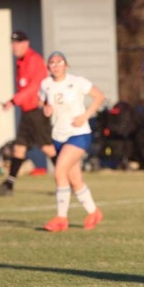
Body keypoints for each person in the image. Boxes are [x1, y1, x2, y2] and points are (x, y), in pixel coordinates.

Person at [39, 51, 105, 232]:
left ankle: (61, 218)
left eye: (59, 62)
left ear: (66, 65)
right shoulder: (45, 84)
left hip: (78, 133)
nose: (56, 66)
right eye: (52, 63)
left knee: (59, 171)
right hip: (58, 135)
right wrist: (46, 110)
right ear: (48, 67)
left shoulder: (77, 81)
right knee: (75, 179)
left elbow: (99, 96)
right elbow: (43, 104)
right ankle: (94, 212)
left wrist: (84, 116)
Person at [0, 30, 55, 196]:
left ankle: (70, 182)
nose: (14, 47)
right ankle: (8, 186)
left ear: (26, 44)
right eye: (13, 44)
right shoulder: (21, 62)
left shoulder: (34, 60)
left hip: (37, 111)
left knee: (47, 148)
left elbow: (34, 87)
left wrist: (14, 101)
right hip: (26, 111)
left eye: (17, 43)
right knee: (19, 148)